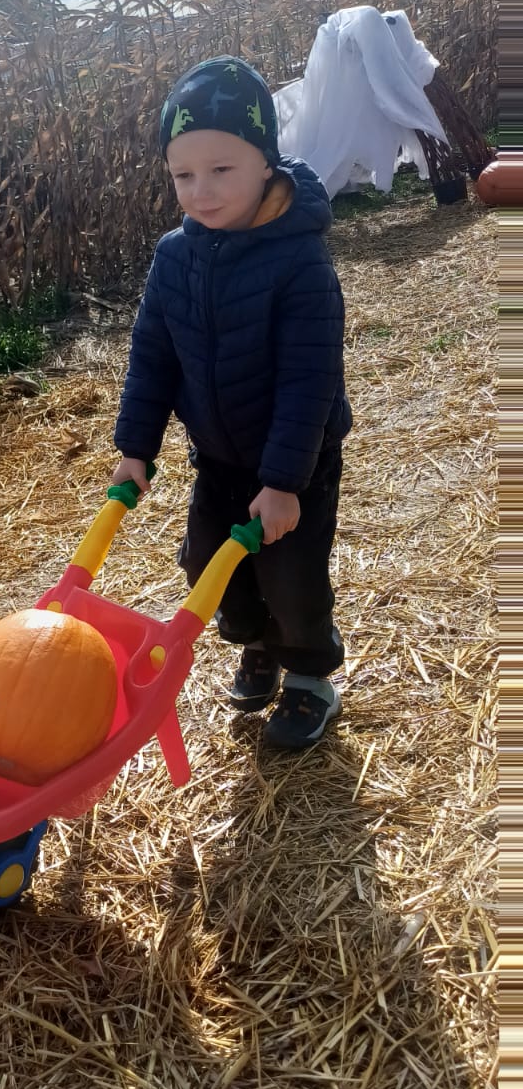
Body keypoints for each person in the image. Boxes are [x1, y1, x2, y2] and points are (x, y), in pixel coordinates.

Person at [112, 55, 352, 750]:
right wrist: (135, 449)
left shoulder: (300, 263)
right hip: (218, 458)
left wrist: (283, 482)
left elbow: (310, 380)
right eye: (183, 175)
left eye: (222, 169)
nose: (202, 191)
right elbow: (152, 357)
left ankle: (309, 677)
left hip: (294, 464)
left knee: (291, 577)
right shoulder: (174, 257)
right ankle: (256, 646)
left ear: (266, 163)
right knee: (207, 565)